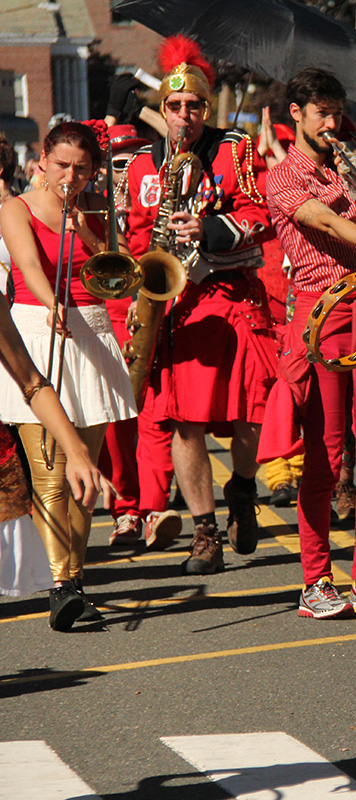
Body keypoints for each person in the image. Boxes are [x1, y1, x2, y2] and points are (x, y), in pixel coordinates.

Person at [260, 66, 356, 620]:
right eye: (322, 113)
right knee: (324, 456)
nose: (332, 122)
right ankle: (316, 580)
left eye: (337, 112)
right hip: (320, 312)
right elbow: (324, 222)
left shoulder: (346, 163)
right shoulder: (282, 175)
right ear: (296, 115)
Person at [125, 37, 278, 574]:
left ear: (206, 108)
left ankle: (242, 488)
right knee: (184, 423)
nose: (184, 115)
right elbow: (134, 237)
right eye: (175, 105)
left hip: (231, 294)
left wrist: (210, 227)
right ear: (163, 108)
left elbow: (261, 215)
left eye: (194, 105)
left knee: (251, 413)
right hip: (178, 305)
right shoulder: (141, 164)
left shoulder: (236, 149)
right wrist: (138, 290)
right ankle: (204, 532)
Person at [0, 120, 136, 629]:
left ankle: (75, 580)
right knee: (49, 473)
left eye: (81, 168)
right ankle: (60, 586)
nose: (70, 176)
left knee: (86, 474)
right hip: (36, 331)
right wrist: (52, 301)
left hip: (91, 332)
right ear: (42, 161)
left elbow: (120, 272)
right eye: (62, 165)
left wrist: (85, 229)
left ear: (93, 170)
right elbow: (29, 266)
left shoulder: (96, 209)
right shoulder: (15, 208)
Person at [99, 122, 185, 549]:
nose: (124, 169)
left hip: (150, 308)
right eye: (116, 162)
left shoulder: (150, 194)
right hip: (107, 316)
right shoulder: (90, 204)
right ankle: (125, 508)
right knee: (116, 420)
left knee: (155, 413)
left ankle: (153, 508)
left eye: (130, 160)